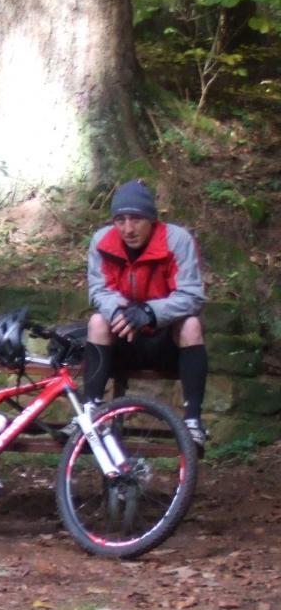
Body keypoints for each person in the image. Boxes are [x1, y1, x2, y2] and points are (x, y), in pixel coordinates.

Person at [84, 180, 209, 449]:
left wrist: (150, 312)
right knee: (97, 321)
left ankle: (193, 423)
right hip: (123, 338)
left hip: (166, 342)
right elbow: (98, 291)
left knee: (191, 325)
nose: (128, 229)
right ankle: (89, 413)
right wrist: (120, 311)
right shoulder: (102, 241)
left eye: (136, 219)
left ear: (152, 219)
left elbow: (192, 296)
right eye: (120, 220)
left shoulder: (177, 240)